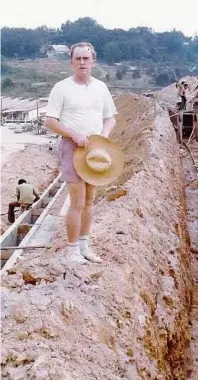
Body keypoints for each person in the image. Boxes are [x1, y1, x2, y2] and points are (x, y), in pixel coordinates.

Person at [44, 41, 117, 263]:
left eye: (86, 58)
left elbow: (110, 118)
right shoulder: (62, 88)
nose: (82, 62)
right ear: (71, 62)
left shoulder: (101, 88)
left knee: (89, 201)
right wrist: (73, 134)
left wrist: (104, 134)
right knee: (77, 201)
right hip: (71, 148)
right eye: (78, 59)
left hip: (95, 151)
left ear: (93, 61)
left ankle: (85, 246)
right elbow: (50, 121)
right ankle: (72, 250)